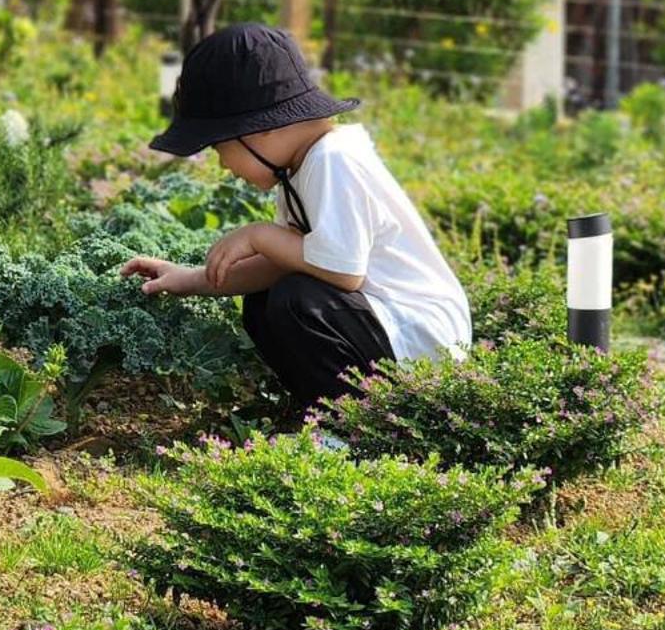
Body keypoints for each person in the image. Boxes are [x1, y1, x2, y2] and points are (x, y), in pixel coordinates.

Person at [121, 22, 471, 411]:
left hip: (421, 338)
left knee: (297, 300)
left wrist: (259, 235)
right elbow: (285, 263)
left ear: (261, 131)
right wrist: (192, 279)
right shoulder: (300, 167)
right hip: (383, 326)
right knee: (267, 298)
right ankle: (327, 414)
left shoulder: (333, 159)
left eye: (221, 148)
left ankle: (350, 427)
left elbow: (342, 272)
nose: (223, 165)